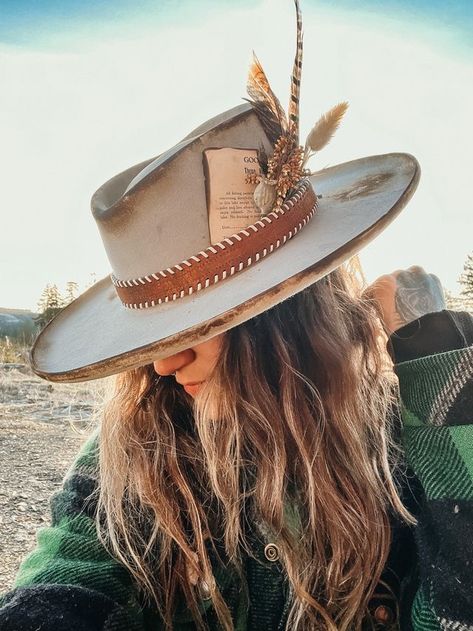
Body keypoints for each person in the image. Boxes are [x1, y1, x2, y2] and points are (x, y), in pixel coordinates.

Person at [1, 2, 472, 630]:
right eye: (154, 337)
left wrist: (436, 363)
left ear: (293, 312)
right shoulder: (147, 441)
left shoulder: (399, 440)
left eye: (206, 323)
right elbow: (70, 574)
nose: (165, 365)